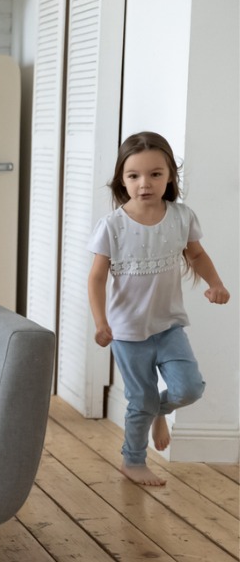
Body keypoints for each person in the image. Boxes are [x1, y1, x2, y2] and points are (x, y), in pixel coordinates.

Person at [87, 131, 230, 486]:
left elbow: (196, 254)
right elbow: (96, 278)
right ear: (122, 179)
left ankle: (158, 411)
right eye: (133, 175)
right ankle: (133, 461)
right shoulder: (113, 226)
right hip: (127, 332)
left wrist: (216, 284)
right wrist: (101, 322)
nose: (144, 184)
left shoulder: (181, 217)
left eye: (155, 174)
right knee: (140, 399)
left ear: (170, 177)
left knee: (189, 389)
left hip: (169, 327)